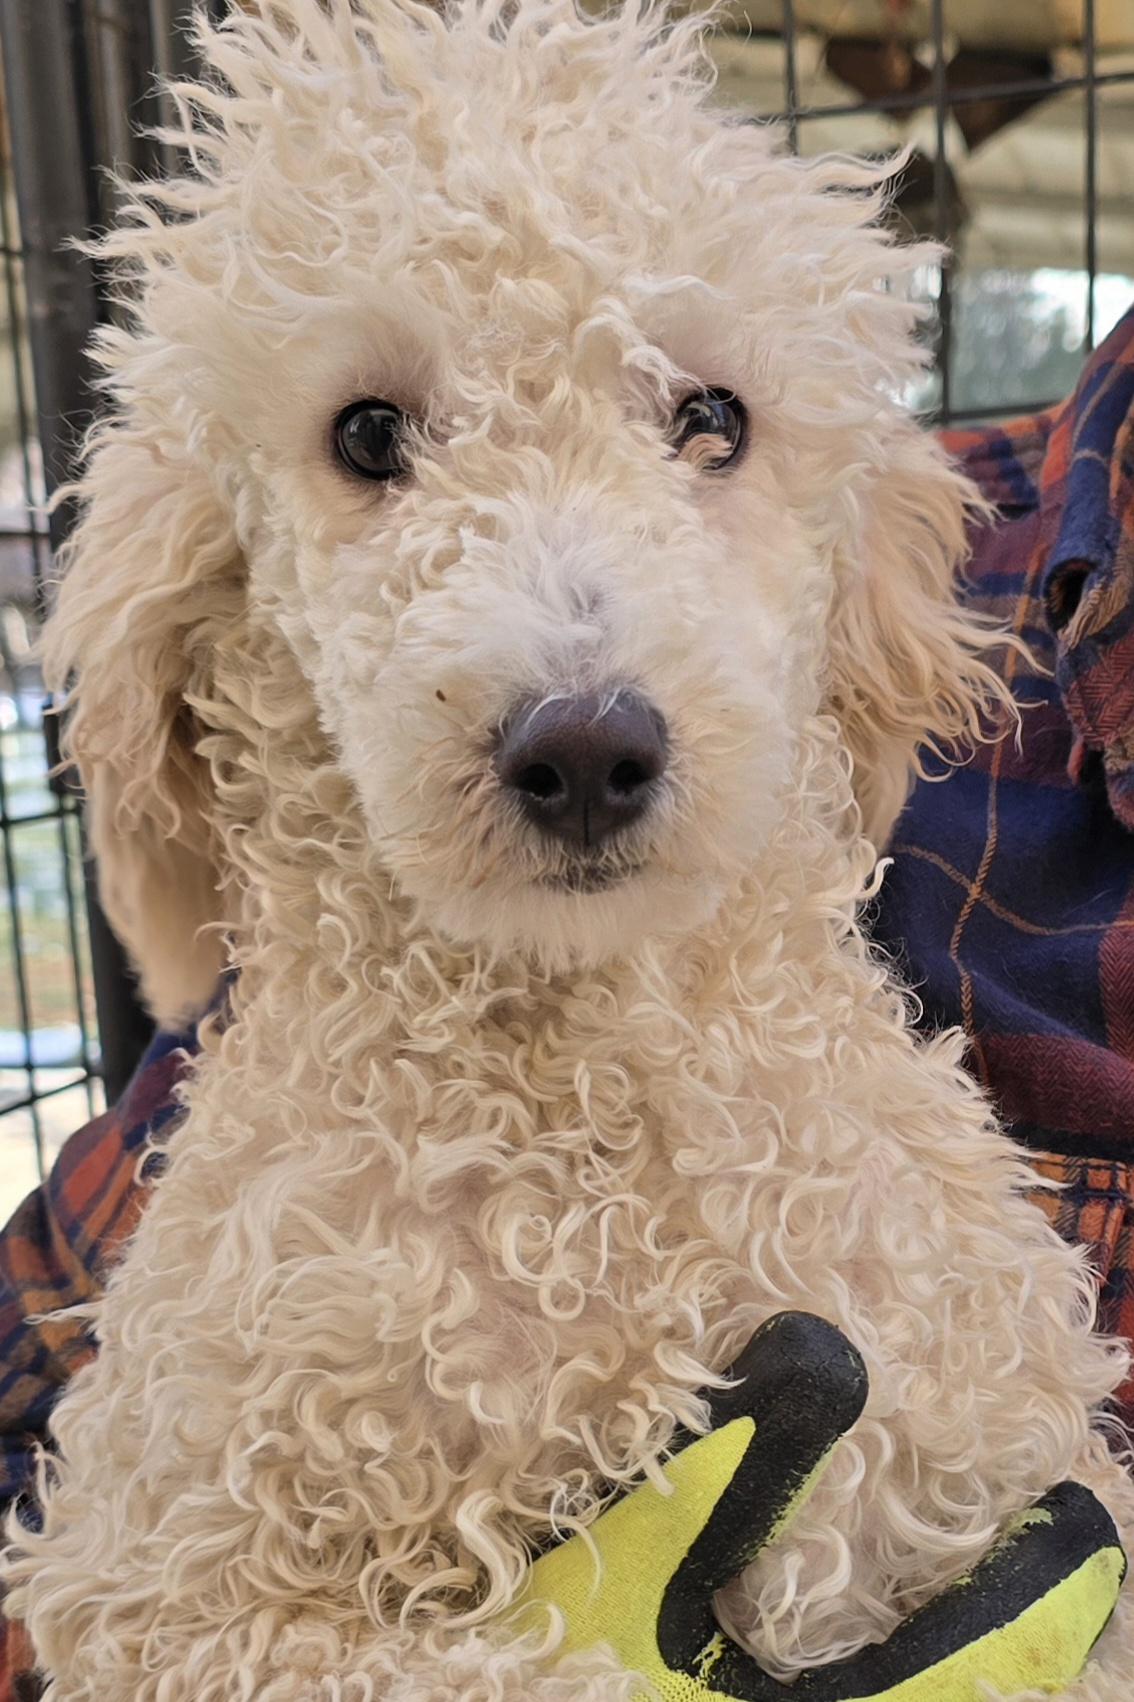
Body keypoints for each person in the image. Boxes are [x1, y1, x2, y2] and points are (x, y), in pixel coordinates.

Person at [2, 306, 1133, 1700]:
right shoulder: (298, 1112)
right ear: (206, 610)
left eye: (697, 423)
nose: (574, 670)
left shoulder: (855, 528)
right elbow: (61, 1469)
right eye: (376, 443)